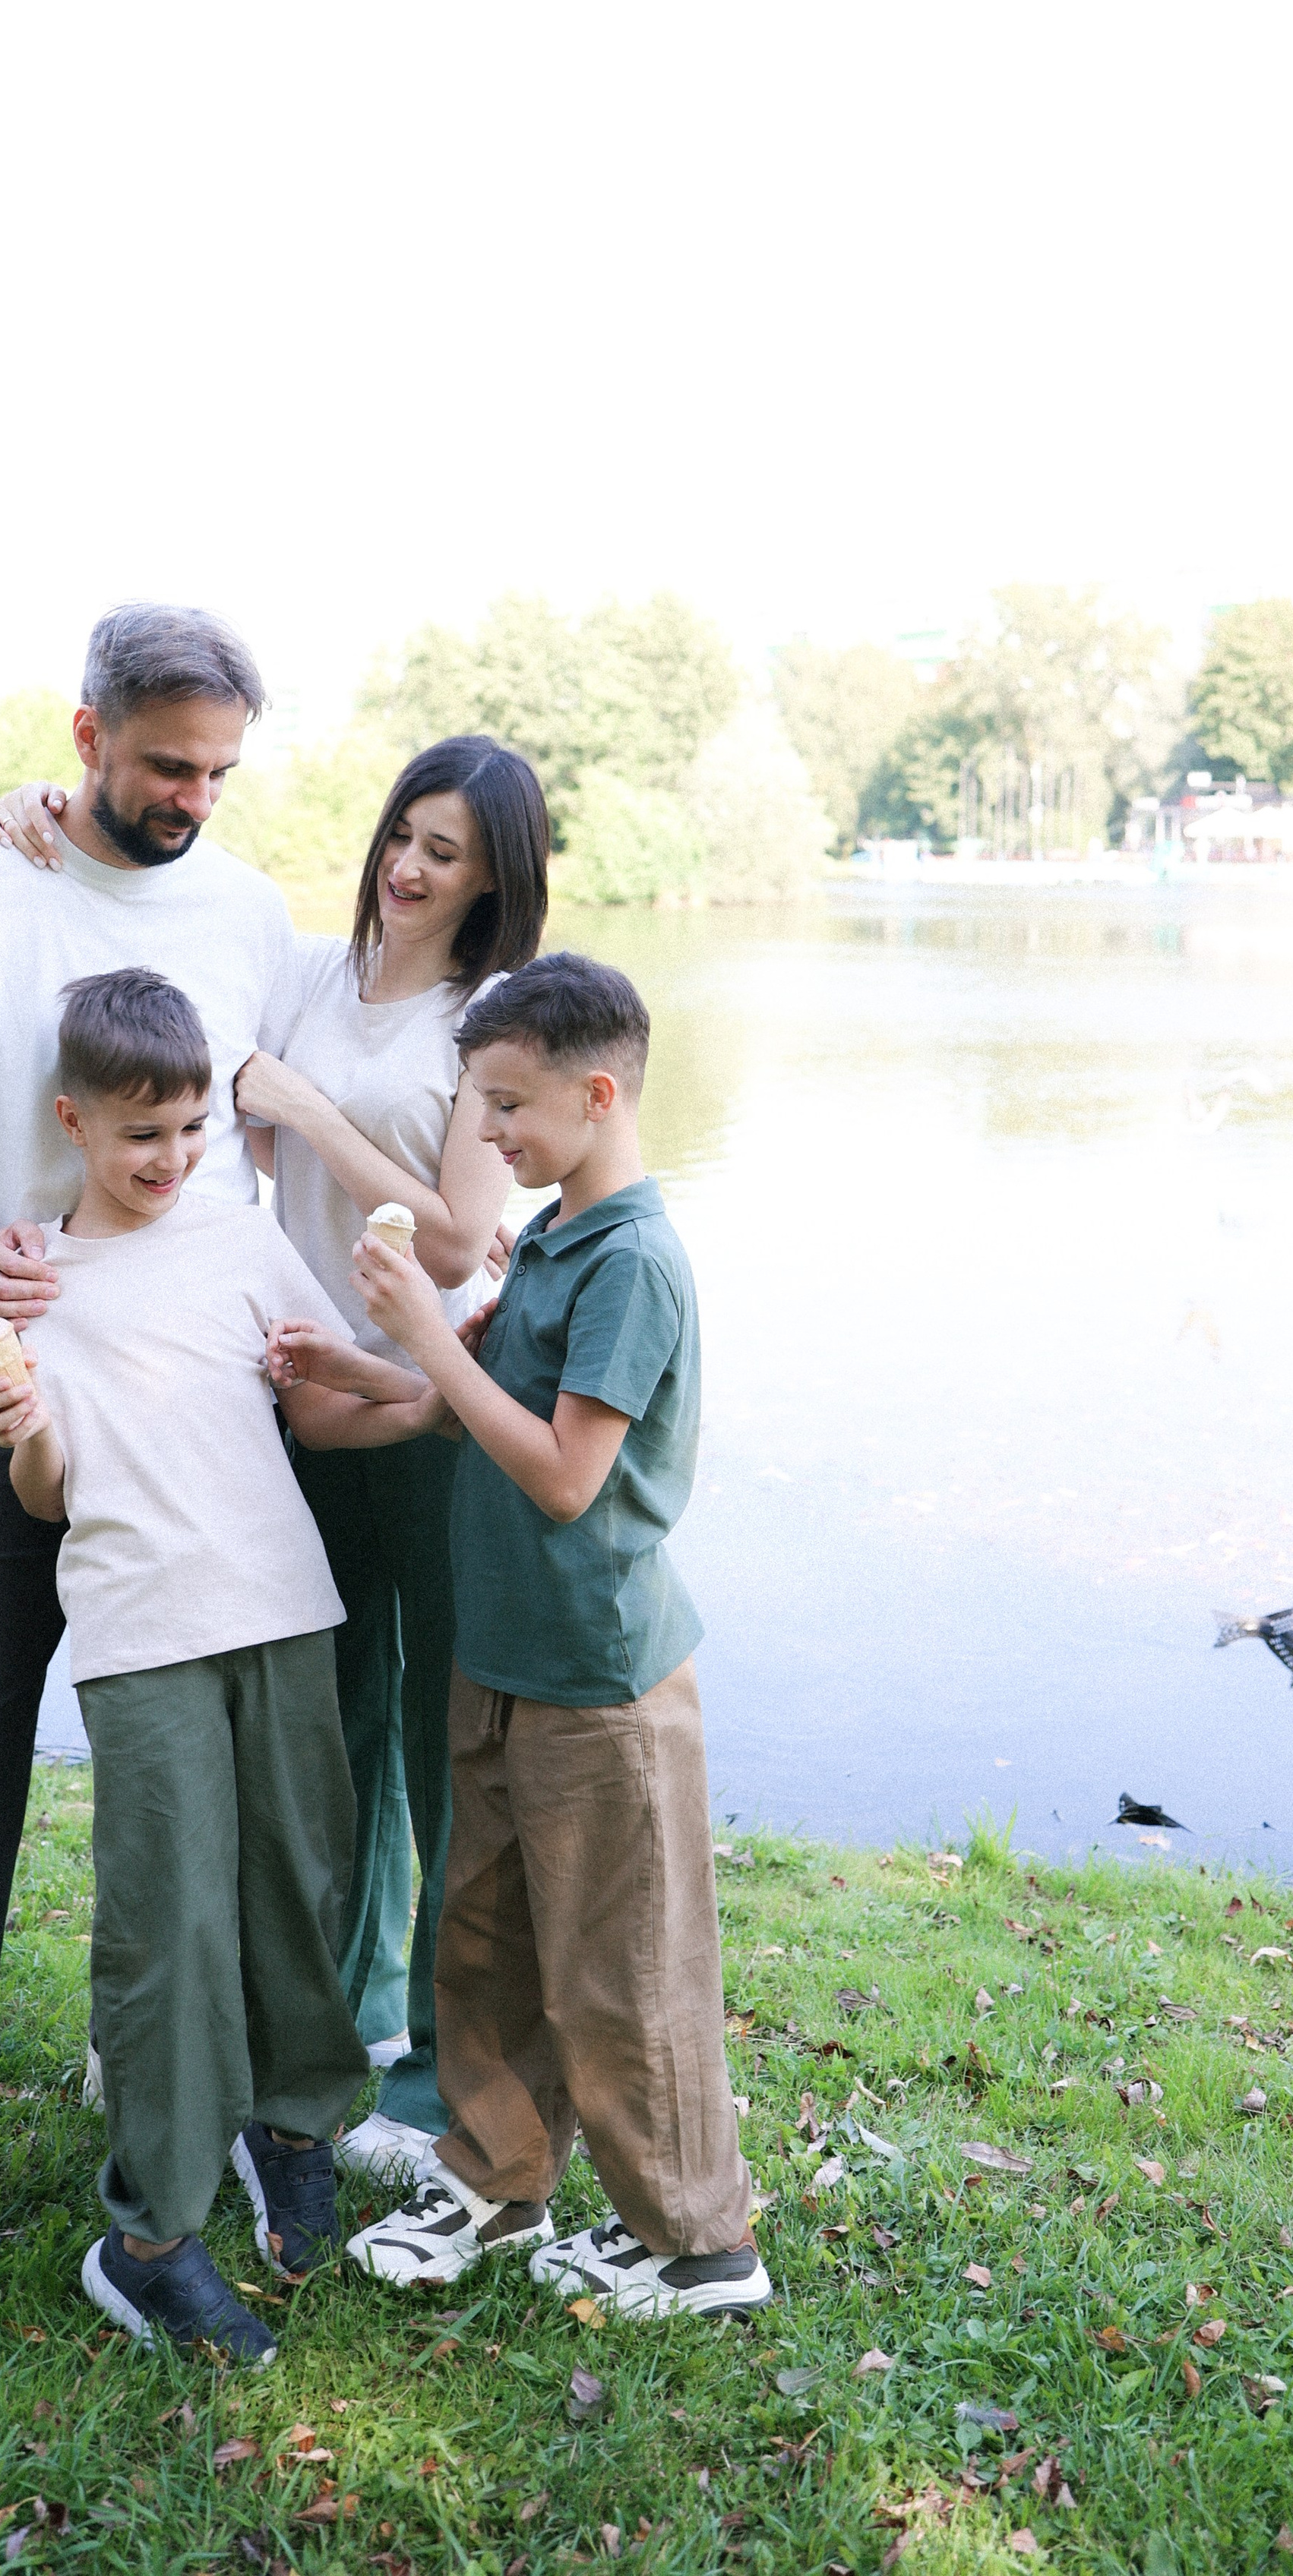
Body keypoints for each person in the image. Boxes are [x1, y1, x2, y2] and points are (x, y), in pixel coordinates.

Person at [0, 602, 296, 2363]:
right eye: (165, 765)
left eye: (218, 771)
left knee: (196, 1781)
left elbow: (297, 1107)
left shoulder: (248, 914)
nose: (192, 800)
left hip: (196, 1434)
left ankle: (168, 2081)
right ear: (82, 736)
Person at [0, 734, 549, 2181]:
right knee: (330, 1742)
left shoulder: (485, 1022)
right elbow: (150, 970)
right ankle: (325, 2032)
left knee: (439, 1742)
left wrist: (306, 1111)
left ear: (493, 883)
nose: (409, 868)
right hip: (286, 1389)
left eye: (447, 855)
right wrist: (43, 812)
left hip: (424, 1389)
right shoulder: (305, 975)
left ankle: (432, 2079)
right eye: (403, 835)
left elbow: (459, 1241)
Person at [285, 952, 770, 2320]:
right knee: (485, 1942)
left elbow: (564, 1476)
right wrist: (355, 1362)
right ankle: (498, 2179)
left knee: (623, 1974)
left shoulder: (634, 1265)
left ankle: (697, 2244)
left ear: (598, 1095)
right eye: (477, 1103)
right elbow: (462, 1408)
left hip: (597, 1679)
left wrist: (423, 1334)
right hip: (497, 1656)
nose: (484, 1134)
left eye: (506, 1105)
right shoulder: (553, 1238)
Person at [0, 966, 441, 2358]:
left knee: (302, 1887)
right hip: (144, 1634)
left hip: (283, 1608)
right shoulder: (33, 1286)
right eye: (139, 1136)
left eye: (189, 1131)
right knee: (169, 1929)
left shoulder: (241, 1239)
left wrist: (433, 1392)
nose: (169, 1159)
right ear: (73, 1121)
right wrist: (23, 1428)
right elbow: (48, 1495)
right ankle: (151, 2237)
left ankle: (289, 2127)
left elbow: (321, 1399)